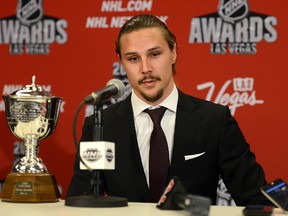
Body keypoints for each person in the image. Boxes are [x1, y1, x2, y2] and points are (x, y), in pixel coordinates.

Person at [66, 14, 271, 205]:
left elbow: (257, 199)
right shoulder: (101, 125)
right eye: (133, 58)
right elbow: (81, 202)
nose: (145, 68)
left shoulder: (214, 120)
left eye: (154, 54)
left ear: (173, 53)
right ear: (122, 62)